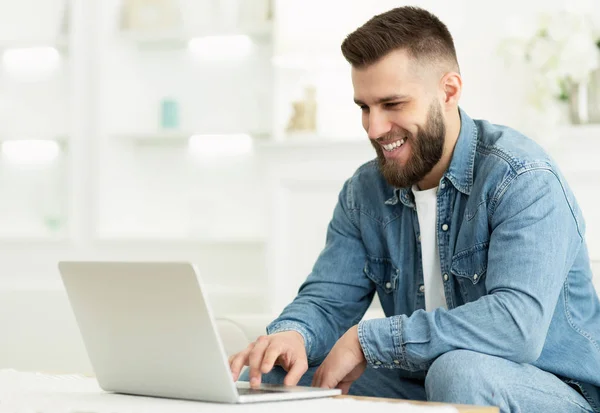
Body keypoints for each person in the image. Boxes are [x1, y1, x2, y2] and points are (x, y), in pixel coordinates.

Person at [229, 6, 600, 413]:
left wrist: (367, 340)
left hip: (553, 390)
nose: (374, 128)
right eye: (364, 107)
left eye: (393, 104)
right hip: (421, 378)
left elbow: (516, 327)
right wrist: (292, 335)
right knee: (275, 380)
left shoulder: (522, 177)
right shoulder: (364, 191)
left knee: (458, 372)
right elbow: (328, 299)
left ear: (450, 91)